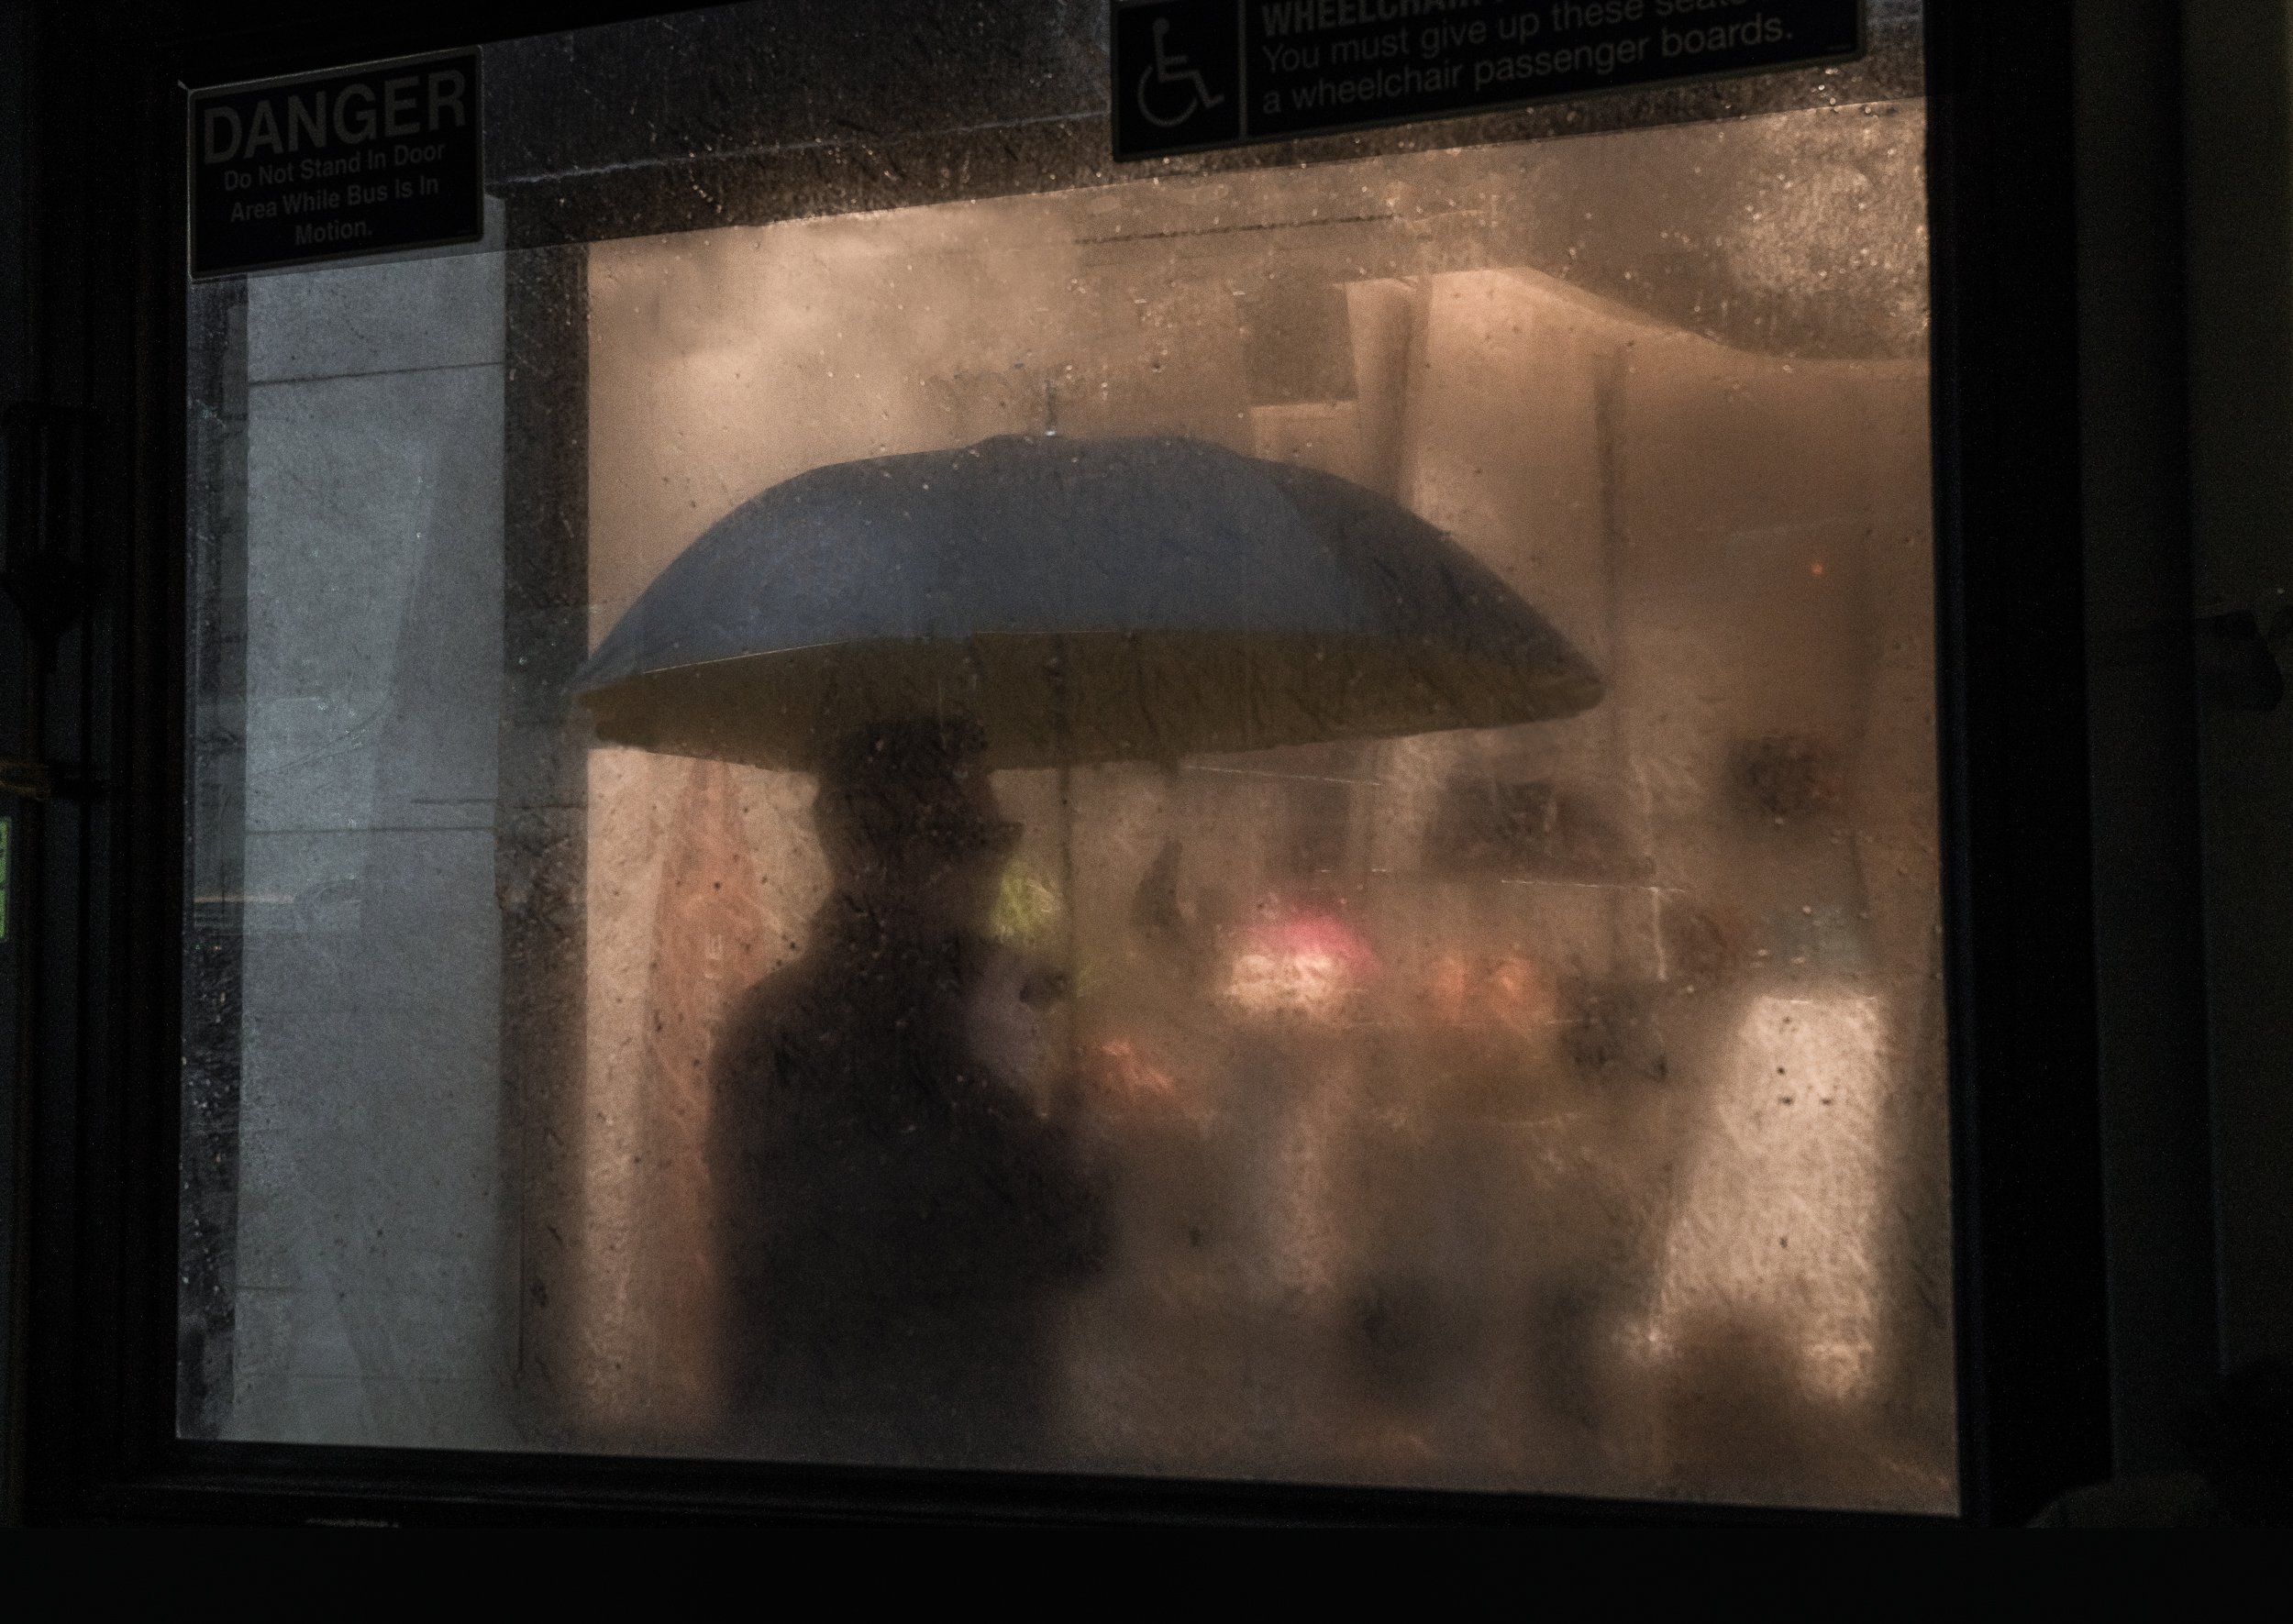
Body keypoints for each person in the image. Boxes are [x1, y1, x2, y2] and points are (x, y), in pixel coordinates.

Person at [707, 718, 1107, 1466]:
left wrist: (1074, 1138)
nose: (994, 864)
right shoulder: (785, 1032)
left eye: (999, 835)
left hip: (996, 1462)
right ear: (866, 850)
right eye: (967, 839)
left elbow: (1079, 1253)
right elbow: (861, 1270)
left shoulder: (989, 1001)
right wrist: (994, 1092)